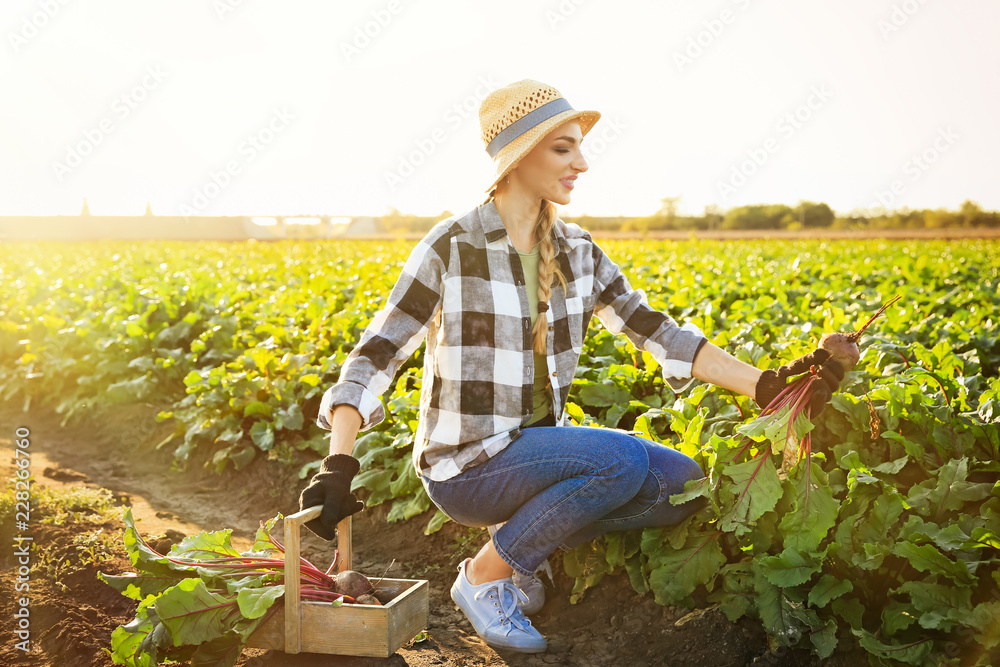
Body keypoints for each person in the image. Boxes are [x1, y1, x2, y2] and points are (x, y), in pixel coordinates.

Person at [299, 79, 844, 654]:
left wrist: (766, 384)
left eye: (579, 146)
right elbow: (378, 352)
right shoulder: (451, 246)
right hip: (467, 467)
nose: (581, 163)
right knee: (622, 459)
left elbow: (657, 331)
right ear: (519, 157)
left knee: (679, 486)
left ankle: (517, 549)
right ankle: (486, 577)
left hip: (535, 453)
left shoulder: (579, 250)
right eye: (563, 148)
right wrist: (339, 462)